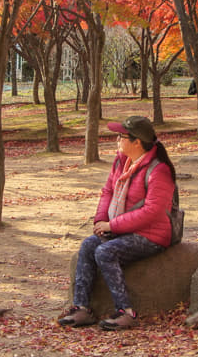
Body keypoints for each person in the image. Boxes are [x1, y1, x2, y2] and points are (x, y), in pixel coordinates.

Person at [58, 116, 177, 331]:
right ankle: (82, 308)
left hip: (152, 235)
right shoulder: (121, 162)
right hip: (123, 229)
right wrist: (101, 219)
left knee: (105, 252)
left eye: (121, 137)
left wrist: (112, 226)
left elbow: (153, 212)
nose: (117, 140)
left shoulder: (159, 170)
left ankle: (126, 312)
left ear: (137, 142)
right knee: (88, 245)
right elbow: (108, 192)